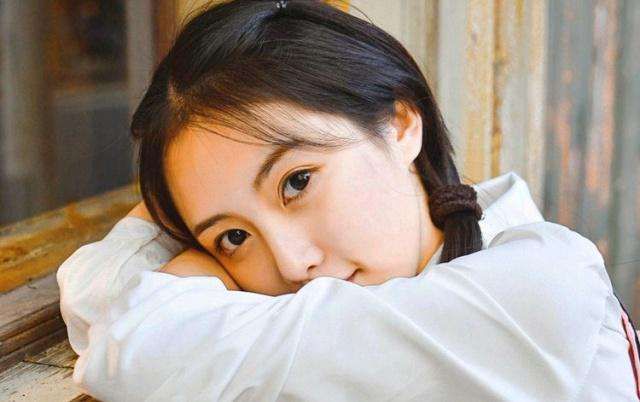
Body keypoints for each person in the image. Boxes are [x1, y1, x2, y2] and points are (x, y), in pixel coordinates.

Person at [56, 0, 640, 400]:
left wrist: (197, 250)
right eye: (233, 237)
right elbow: (104, 297)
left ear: (401, 123)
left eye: (296, 182)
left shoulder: (539, 286)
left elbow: (136, 345)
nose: (291, 265)